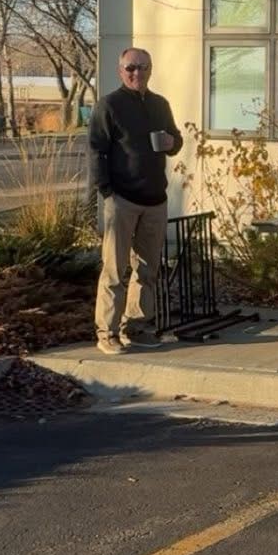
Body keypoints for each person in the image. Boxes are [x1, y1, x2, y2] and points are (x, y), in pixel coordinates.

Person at [90, 48, 182, 353]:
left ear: (151, 70)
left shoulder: (160, 104)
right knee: (115, 270)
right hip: (122, 199)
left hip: (155, 199)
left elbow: (175, 139)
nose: (137, 73)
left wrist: (173, 143)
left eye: (143, 67)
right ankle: (107, 332)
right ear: (120, 70)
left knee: (147, 270)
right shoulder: (110, 105)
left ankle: (138, 327)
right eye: (131, 67)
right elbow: (97, 150)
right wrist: (106, 192)